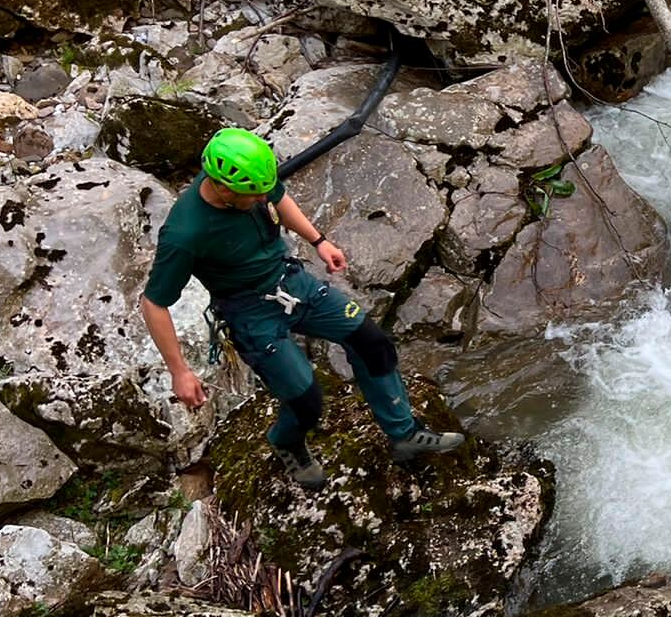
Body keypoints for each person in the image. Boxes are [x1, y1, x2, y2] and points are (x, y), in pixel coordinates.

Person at [137, 127, 464, 489]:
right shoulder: (185, 234)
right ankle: (287, 440)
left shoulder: (247, 179)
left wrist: (318, 240)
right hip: (250, 313)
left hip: (292, 282)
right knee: (307, 399)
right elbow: (154, 303)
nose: (263, 198)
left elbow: (279, 198)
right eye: (254, 195)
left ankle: (404, 434)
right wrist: (179, 371)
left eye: (264, 190)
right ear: (223, 189)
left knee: (372, 343)